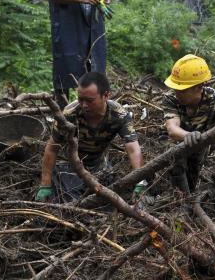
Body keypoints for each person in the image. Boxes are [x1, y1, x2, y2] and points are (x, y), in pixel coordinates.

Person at [35, 72, 145, 203]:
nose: (84, 105)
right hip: (69, 165)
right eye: (81, 99)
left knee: (112, 198)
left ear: (105, 95)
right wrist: (45, 184)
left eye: (89, 100)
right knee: (72, 201)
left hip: (99, 165)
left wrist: (140, 180)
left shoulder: (119, 114)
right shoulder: (70, 114)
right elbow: (52, 148)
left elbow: (133, 148)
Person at [162, 54, 215, 195]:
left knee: (193, 172)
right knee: (176, 161)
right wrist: (188, 135)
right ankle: (179, 199)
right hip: (178, 142)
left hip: (202, 145)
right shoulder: (171, 98)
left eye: (182, 89)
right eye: (176, 88)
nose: (177, 93)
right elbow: (172, 128)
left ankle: (189, 197)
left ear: (199, 87)